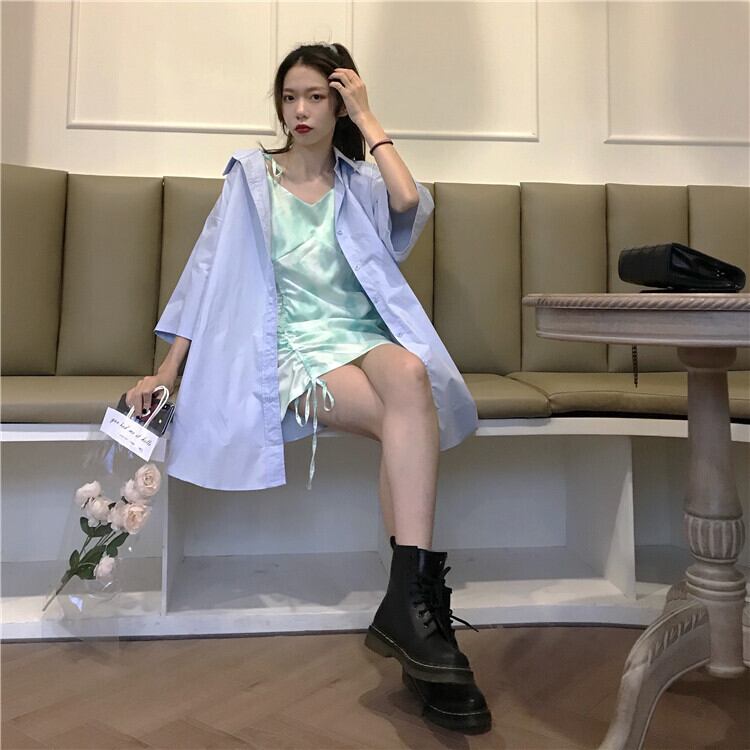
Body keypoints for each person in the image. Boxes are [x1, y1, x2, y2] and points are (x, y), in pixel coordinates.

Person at [126, 42, 490, 733]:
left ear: (338, 103)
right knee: (406, 421)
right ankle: (421, 619)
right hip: (289, 348)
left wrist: (368, 116)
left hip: (361, 336)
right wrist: (168, 370)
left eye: (317, 97)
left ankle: (409, 611)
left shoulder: (359, 183)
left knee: (411, 374)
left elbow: (408, 200)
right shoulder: (251, 180)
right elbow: (205, 275)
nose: (300, 110)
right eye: (290, 97)